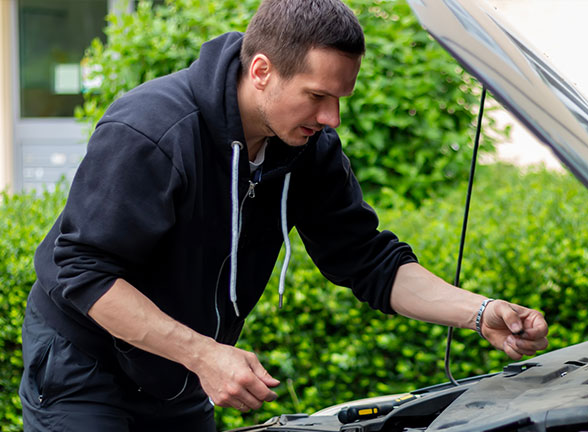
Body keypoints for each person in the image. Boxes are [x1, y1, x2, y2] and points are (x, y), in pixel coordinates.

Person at [19, 0, 549, 430]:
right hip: (83, 363)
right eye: (317, 96)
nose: (330, 118)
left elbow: (368, 260)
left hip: (177, 372)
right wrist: (204, 355)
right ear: (262, 71)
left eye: (340, 98)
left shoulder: (308, 149)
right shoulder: (153, 132)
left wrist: (481, 312)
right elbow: (84, 272)